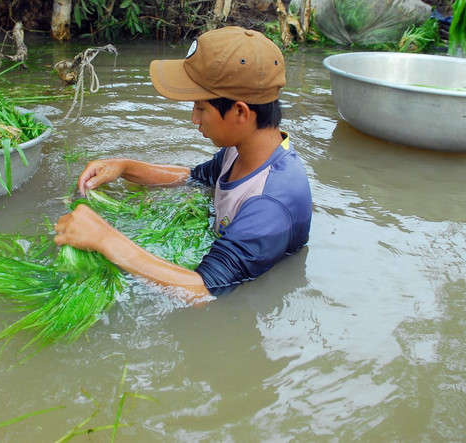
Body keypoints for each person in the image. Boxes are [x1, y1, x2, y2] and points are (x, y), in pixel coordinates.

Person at [53, 26, 312, 303]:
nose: (194, 119)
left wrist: (105, 238)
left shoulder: (269, 204)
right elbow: (195, 177)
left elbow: (203, 290)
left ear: (240, 112)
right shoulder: (243, 149)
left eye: (201, 108)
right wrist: (124, 167)